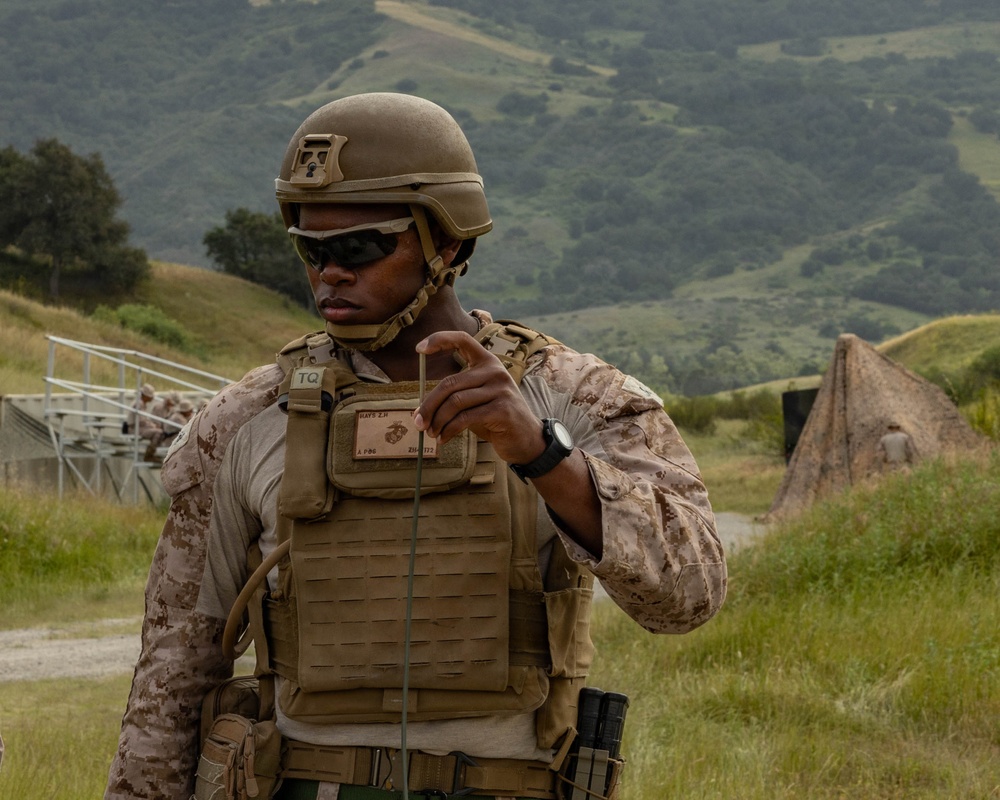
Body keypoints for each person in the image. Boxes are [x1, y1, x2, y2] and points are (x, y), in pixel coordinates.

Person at [105, 93, 727, 800]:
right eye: (310, 249)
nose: (328, 273)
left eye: (359, 248)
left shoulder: (574, 398)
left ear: (449, 244)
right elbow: (175, 670)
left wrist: (542, 455)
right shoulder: (245, 419)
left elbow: (691, 595)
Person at [125, 382, 165, 462]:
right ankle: (149, 455)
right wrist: (153, 426)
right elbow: (141, 421)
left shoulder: (140, 403)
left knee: (159, 431)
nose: (152, 398)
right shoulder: (138, 404)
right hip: (135, 429)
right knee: (159, 432)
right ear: (145, 396)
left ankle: (152, 453)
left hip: (138, 427)